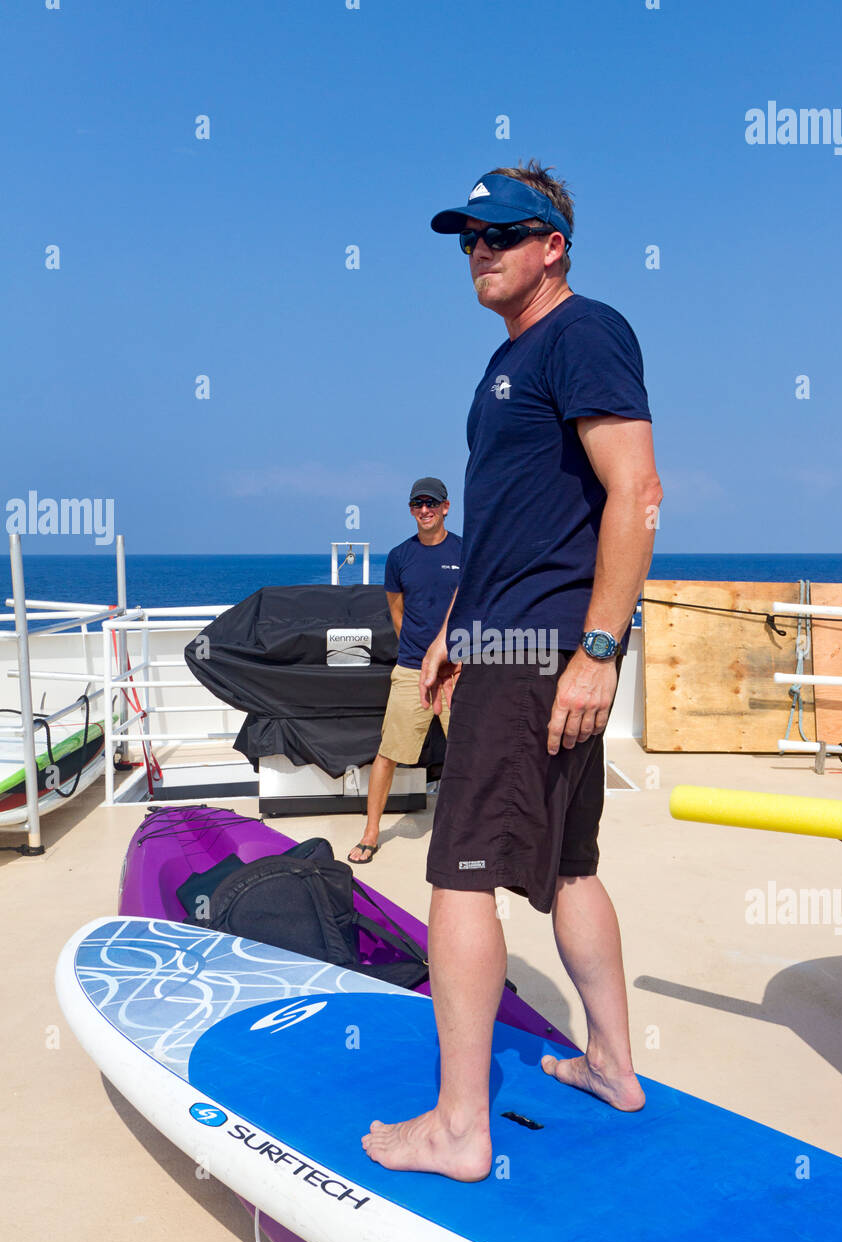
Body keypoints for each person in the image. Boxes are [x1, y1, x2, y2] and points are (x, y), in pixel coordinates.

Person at [361, 161, 662, 1180]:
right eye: (467, 238)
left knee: (459, 874)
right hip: (503, 640)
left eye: (500, 233)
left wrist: (600, 650)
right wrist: (450, 629)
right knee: (568, 866)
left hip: (541, 652)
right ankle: (614, 1064)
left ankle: (456, 1127)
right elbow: (514, 523)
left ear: (552, 245)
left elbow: (638, 492)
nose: (479, 251)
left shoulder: (583, 332)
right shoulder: (515, 361)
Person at [347, 477, 461, 864]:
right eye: (417, 504)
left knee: (472, 752)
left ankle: (473, 829)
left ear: (446, 507)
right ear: (411, 510)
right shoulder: (399, 557)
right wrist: (420, 654)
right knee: (389, 753)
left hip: (459, 672)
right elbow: (397, 613)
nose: (424, 509)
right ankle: (371, 832)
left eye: (431, 503)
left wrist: (454, 659)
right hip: (412, 669)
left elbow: (476, 607)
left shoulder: (466, 551)